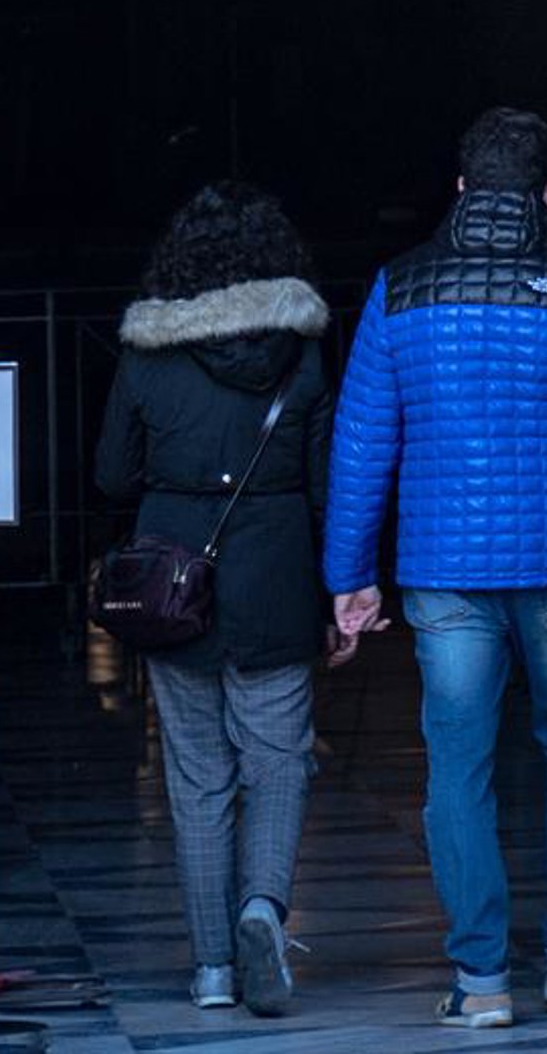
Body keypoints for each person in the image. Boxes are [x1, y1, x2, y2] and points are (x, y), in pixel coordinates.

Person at [321, 106, 547, 1031]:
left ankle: (480, 979)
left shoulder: (399, 287)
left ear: (462, 187)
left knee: (457, 763)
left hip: (444, 568)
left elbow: (362, 444)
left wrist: (349, 574)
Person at [95, 182, 341, 1016]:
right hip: (276, 576)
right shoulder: (301, 353)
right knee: (278, 760)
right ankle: (262, 907)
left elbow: (111, 475)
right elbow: (326, 489)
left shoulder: (147, 354)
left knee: (197, 774)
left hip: (174, 584)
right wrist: (341, 592)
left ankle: (209, 967)